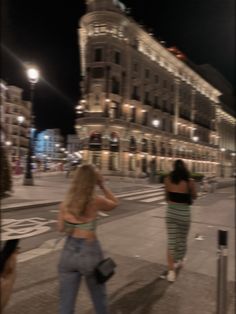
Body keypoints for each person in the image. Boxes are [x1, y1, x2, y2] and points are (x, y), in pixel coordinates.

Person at [57, 164, 118, 314]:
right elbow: (115, 203)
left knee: (66, 304)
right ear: (92, 181)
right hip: (89, 252)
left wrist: (73, 222)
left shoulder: (65, 204)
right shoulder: (95, 201)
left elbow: (60, 228)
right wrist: (102, 184)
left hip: (68, 253)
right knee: (99, 299)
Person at [163, 159, 197, 282]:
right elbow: (194, 196)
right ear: (184, 169)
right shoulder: (189, 182)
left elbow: (166, 198)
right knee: (182, 239)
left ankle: (171, 271)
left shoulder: (167, 179)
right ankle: (180, 259)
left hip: (171, 212)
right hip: (184, 213)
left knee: (171, 241)